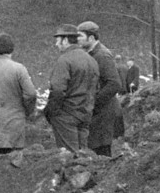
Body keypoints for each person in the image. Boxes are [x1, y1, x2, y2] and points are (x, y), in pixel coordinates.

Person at [42, 24, 98, 152]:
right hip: (85, 114)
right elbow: (95, 88)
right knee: (83, 156)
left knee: (68, 157)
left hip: (66, 116)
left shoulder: (64, 60)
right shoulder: (91, 60)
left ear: (65, 40)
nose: (56, 44)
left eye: (58, 40)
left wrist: (50, 112)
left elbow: (57, 90)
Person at [77, 21, 123, 157]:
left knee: (102, 155)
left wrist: (93, 103)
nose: (76, 39)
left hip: (104, 114)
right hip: (97, 114)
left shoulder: (102, 55)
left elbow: (114, 84)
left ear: (91, 38)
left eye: (79, 36)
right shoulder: (91, 54)